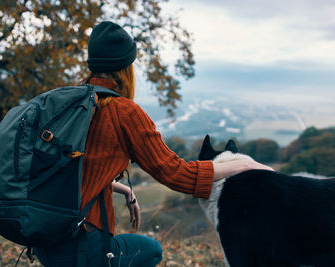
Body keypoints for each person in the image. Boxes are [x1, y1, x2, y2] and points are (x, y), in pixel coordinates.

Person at [34, 21, 274, 267]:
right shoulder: (123, 112)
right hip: (82, 248)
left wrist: (122, 188)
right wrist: (243, 165)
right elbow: (177, 173)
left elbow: (74, 168)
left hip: (44, 240)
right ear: (126, 67)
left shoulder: (69, 103)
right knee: (151, 250)